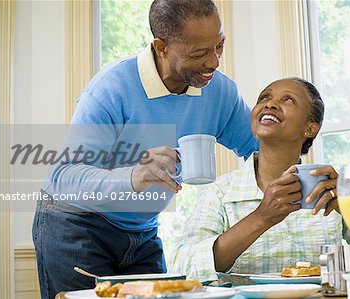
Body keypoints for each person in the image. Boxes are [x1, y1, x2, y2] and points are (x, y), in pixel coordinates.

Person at [32, 0, 258, 298]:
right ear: (161, 47)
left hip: (143, 231)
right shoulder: (111, 89)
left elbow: (262, 150)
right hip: (76, 224)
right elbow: (64, 178)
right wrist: (133, 176)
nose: (214, 61)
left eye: (219, 45)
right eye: (199, 53)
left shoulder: (220, 92)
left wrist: (309, 183)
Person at [169, 77, 350, 282]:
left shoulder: (330, 188)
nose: (270, 104)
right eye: (264, 98)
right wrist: (261, 218)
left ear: (310, 128)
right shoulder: (220, 193)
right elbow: (183, 267)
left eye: (287, 100)